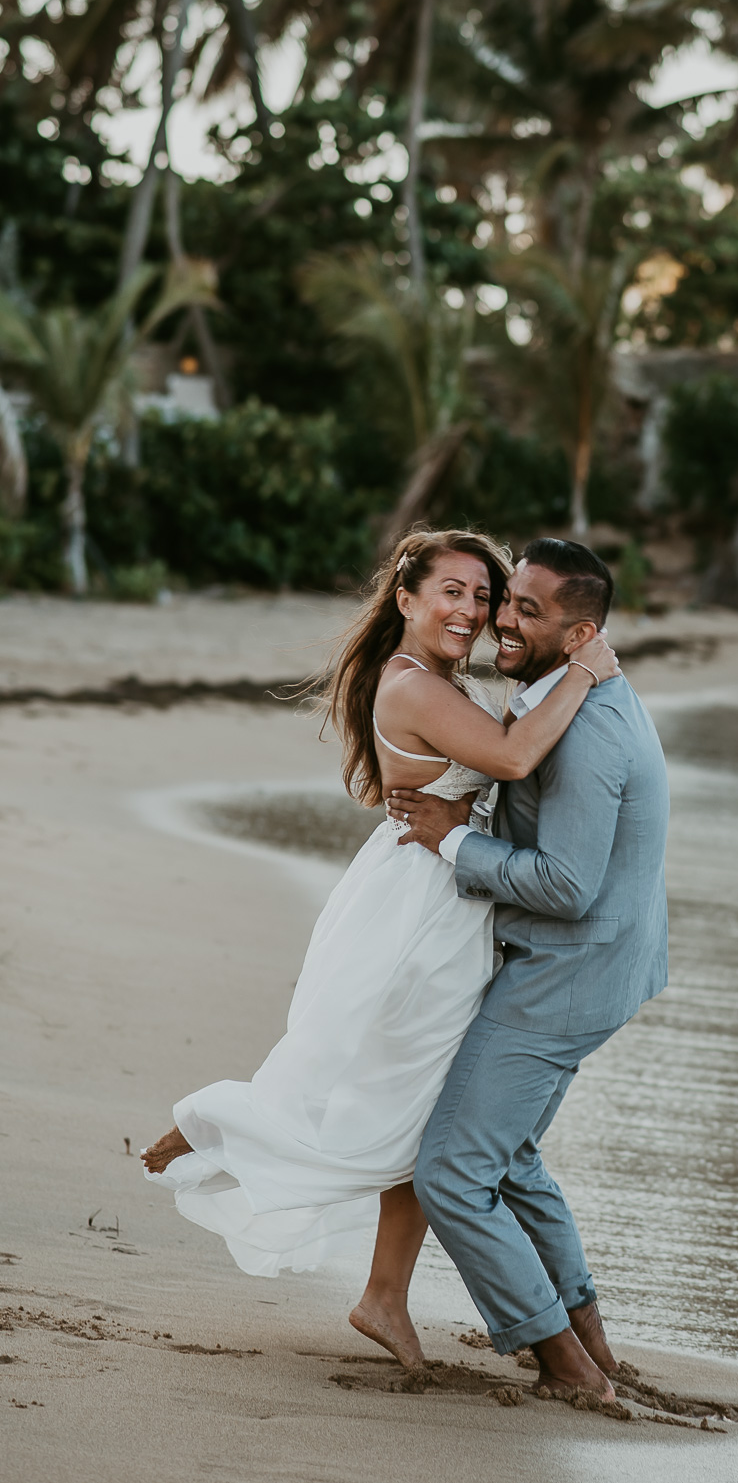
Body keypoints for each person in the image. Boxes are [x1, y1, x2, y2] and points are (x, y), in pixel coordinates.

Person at [142, 528, 619, 1371]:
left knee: (418, 1109)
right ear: (406, 599)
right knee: (403, 1101)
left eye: (484, 596)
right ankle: (215, 1120)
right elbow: (511, 756)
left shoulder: (436, 680)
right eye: (453, 592)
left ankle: (383, 1297)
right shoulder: (413, 685)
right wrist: (586, 668)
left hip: (439, 897)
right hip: (421, 914)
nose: (470, 610)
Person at [386, 537, 670, 1405]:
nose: (502, 620)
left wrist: (454, 837)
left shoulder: (584, 731)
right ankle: (590, 1340)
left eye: (528, 612)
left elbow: (567, 885)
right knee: (507, 1160)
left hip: (565, 973)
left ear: (582, 633)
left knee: (450, 1174)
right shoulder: (582, 694)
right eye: (508, 601)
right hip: (600, 965)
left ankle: (565, 1368)